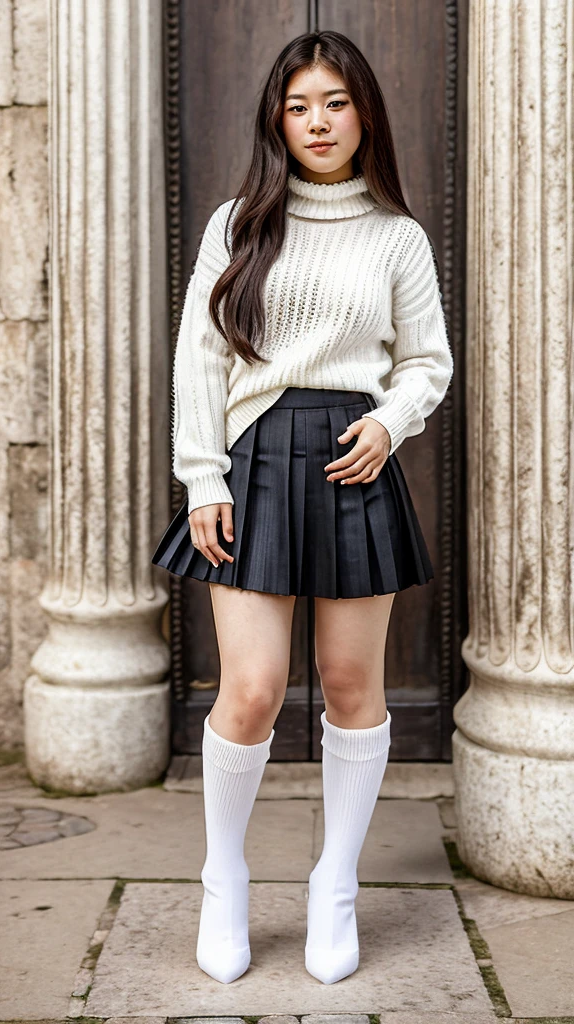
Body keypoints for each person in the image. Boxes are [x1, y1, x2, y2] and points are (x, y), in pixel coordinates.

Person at [152, 30, 453, 986]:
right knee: (249, 690)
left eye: (334, 102)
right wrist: (204, 477)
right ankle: (225, 877)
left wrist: (393, 421)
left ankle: (335, 885)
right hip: (253, 463)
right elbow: (201, 357)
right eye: (298, 105)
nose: (317, 122)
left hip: (356, 463)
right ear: (276, 120)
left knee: (352, 686)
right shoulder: (236, 222)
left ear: (365, 111)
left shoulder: (397, 235)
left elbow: (427, 362)